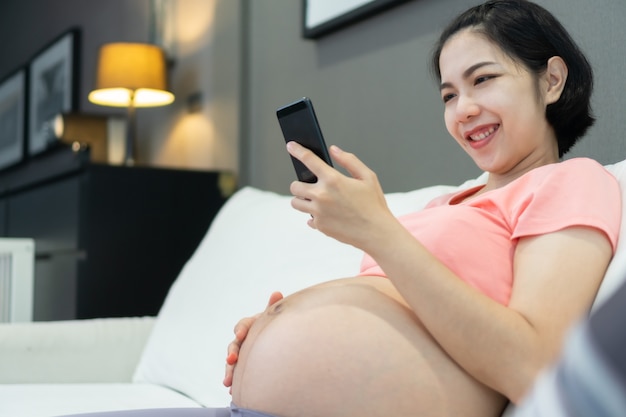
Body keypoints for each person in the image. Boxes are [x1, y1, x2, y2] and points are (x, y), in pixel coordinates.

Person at [52, 1, 621, 417]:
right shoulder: (449, 202)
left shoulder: (573, 182)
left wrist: (379, 233)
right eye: (448, 94)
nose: (463, 108)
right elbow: (401, 312)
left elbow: (536, 368)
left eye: (484, 79)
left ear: (550, 79)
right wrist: (278, 327)